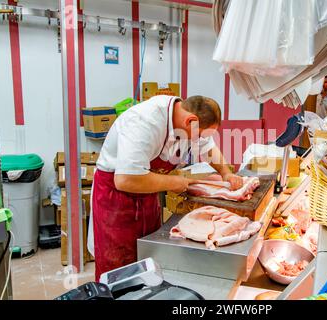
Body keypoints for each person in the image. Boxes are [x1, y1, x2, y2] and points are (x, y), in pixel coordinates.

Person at [89, 95, 244, 281]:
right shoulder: (144, 122)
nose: (201, 140)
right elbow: (125, 179)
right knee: (119, 267)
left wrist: (226, 173)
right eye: (201, 134)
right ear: (191, 121)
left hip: (146, 193)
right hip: (115, 199)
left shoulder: (188, 120)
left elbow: (208, 148)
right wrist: (173, 183)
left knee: (150, 254)